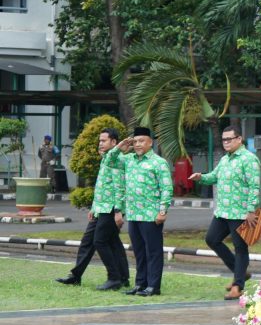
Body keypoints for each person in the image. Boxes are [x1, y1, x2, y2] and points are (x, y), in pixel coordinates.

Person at [189, 125, 261, 301]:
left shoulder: (249, 159)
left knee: (240, 248)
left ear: (239, 139)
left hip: (241, 212)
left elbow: (255, 186)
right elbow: (214, 176)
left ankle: (238, 286)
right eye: (224, 139)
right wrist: (201, 177)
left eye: (230, 139)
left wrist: (251, 210)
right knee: (211, 239)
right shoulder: (224, 160)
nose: (226, 142)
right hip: (223, 211)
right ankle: (240, 273)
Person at [55, 128, 130, 290]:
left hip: (110, 209)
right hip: (101, 208)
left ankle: (114, 278)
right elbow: (103, 187)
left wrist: (118, 211)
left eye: (103, 141)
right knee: (90, 242)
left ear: (114, 142)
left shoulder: (116, 159)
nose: (100, 144)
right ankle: (76, 276)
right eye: (99, 141)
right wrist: (94, 208)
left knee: (100, 242)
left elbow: (119, 187)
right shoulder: (106, 159)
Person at [107, 127, 173, 297]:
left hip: (151, 215)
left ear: (150, 142)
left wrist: (163, 211)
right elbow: (109, 161)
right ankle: (140, 283)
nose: (137, 144)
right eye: (135, 141)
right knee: (139, 252)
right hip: (134, 214)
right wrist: (120, 146)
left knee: (153, 252)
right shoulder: (128, 160)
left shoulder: (158, 162)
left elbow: (166, 188)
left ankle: (153, 286)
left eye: (141, 141)